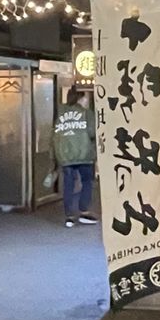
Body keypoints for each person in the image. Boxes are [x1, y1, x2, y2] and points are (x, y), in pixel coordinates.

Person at [52, 89, 97, 228]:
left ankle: (69, 217)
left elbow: (54, 135)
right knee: (87, 182)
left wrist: (53, 156)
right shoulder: (86, 113)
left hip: (65, 156)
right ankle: (84, 211)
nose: (86, 101)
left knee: (68, 185)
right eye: (85, 98)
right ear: (80, 99)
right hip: (84, 155)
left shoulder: (59, 113)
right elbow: (92, 132)